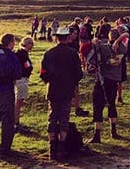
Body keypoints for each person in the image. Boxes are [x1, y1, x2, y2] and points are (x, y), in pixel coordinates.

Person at [40, 27, 83, 160]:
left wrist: (50, 81)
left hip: (53, 89)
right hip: (67, 89)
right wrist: (72, 82)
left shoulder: (49, 53)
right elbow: (79, 74)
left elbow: (43, 73)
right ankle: (61, 148)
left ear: (56, 37)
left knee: (52, 118)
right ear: (67, 38)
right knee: (64, 118)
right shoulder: (73, 53)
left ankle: (52, 148)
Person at [89, 29, 127, 143]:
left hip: (102, 79)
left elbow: (94, 46)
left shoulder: (104, 47)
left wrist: (94, 40)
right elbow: (126, 34)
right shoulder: (122, 48)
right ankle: (113, 131)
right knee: (112, 104)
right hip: (114, 80)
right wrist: (118, 41)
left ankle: (97, 134)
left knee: (98, 106)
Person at [67, 25, 89, 117]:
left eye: (77, 33)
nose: (76, 35)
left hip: (74, 69)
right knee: (69, 91)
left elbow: (80, 54)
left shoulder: (76, 43)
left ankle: (77, 108)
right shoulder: (66, 44)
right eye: (74, 33)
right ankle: (68, 109)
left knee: (76, 89)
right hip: (68, 70)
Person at [14, 37, 34, 134]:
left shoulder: (20, 53)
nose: (32, 46)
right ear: (26, 44)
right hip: (21, 79)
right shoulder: (22, 54)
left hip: (20, 79)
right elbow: (27, 66)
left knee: (19, 100)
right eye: (31, 43)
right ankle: (16, 122)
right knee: (18, 101)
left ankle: (16, 121)